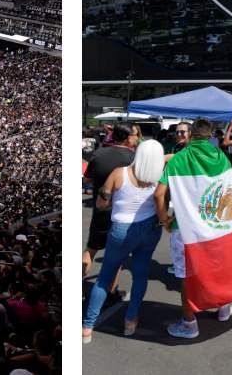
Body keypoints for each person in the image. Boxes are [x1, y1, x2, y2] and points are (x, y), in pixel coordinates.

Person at [155, 118, 232, 339]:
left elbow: (159, 194)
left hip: (186, 227)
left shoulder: (179, 159)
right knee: (220, 267)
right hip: (218, 225)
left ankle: (189, 324)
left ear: (190, 135)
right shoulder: (220, 157)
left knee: (186, 277)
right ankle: (224, 309)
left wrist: (164, 220)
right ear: (209, 136)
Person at [82, 139, 165, 343]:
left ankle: (87, 327)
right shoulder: (163, 176)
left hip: (121, 229)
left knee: (104, 277)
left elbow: (102, 203)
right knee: (140, 275)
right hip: (149, 228)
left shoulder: (120, 173)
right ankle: (130, 320)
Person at [82, 123, 138, 301]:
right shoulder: (133, 157)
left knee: (90, 250)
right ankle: (111, 293)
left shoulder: (99, 153)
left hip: (100, 210)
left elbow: (87, 178)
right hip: (122, 213)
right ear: (128, 138)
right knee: (115, 255)